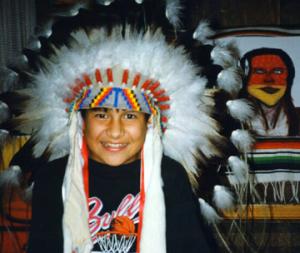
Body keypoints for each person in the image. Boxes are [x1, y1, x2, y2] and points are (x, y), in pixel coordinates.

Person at [1, 24, 230, 253]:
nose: (114, 130)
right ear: (81, 120)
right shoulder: (54, 178)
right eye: (101, 114)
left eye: (130, 116)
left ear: (149, 123)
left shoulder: (168, 176)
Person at [240, 48, 300, 136]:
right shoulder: (231, 120)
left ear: (288, 77)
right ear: (245, 78)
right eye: (259, 71)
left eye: (278, 71)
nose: (269, 79)